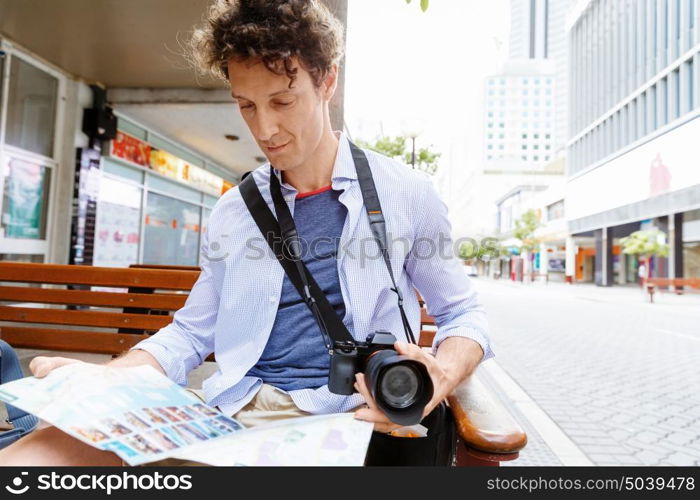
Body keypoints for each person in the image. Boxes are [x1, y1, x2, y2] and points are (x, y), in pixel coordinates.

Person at [0, 0, 491, 466]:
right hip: (228, 415)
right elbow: (191, 333)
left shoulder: (405, 193)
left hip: (344, 421)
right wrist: (103, 383)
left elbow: (464, 313)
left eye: (282, 100)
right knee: (37, 452)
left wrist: (439, 376)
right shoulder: (235, 209)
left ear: (327, 82)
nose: (265, 128)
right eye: (246, 106)